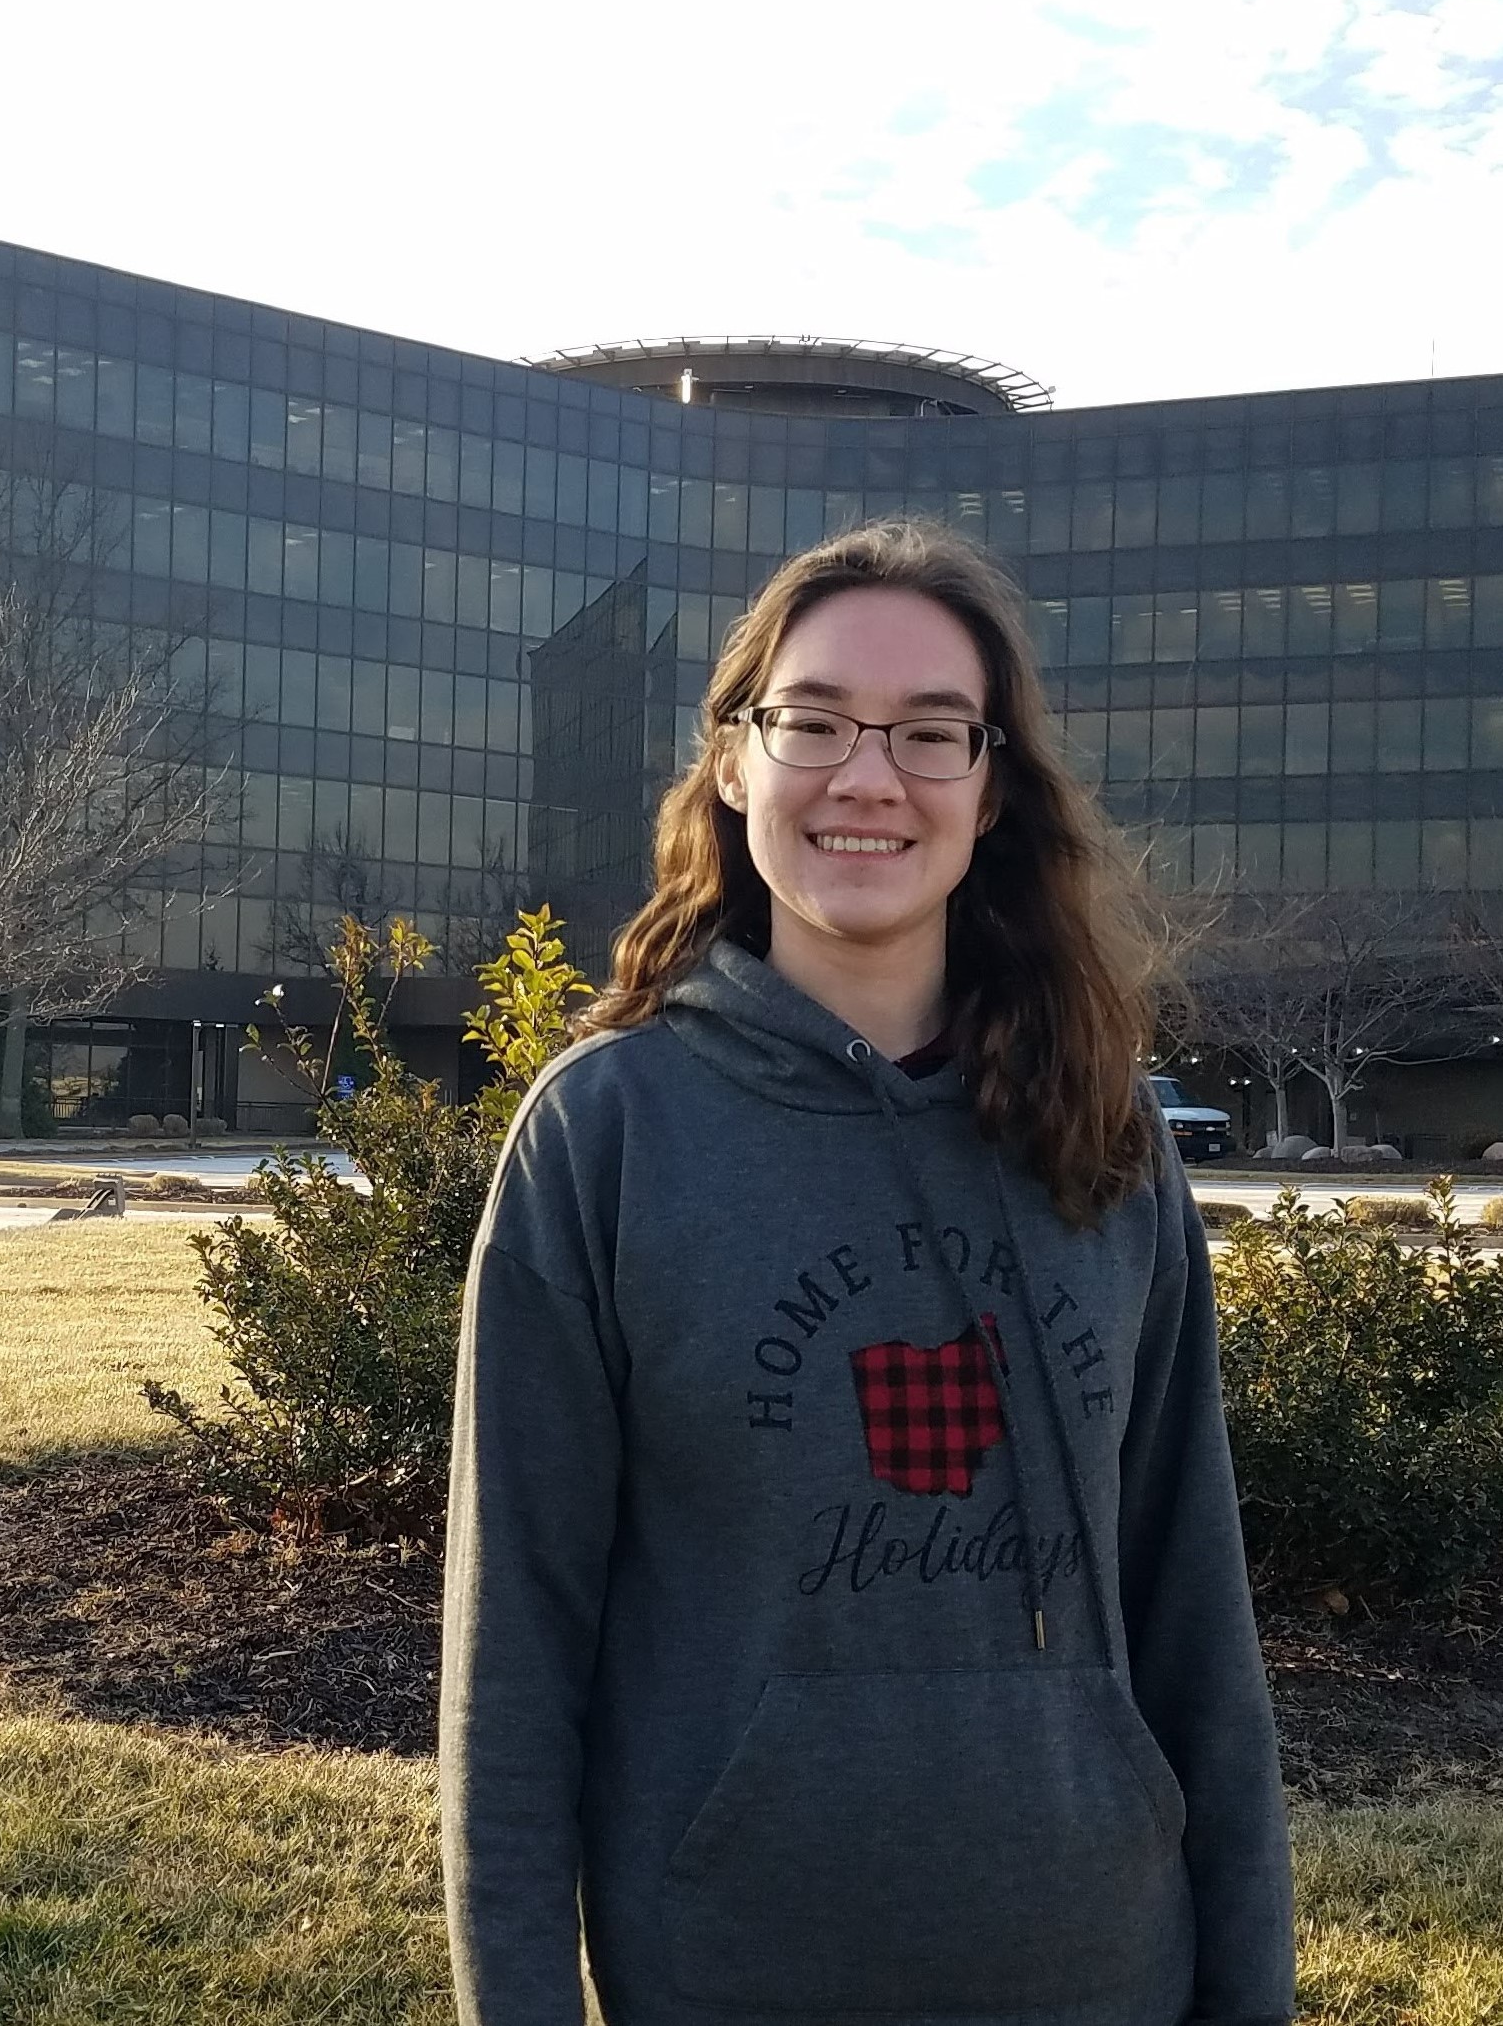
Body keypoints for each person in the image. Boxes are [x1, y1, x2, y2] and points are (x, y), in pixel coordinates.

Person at [439, 520, 1294, 2026]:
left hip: (1104, 1969)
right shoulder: (606, 1131)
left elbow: (1193, 1617)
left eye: (927, 733)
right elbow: (512, 1657)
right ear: (731, 761)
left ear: (990, 786)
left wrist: (1249, 1990)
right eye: (815, 720)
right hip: (727, 1975)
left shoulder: (1101, 1133)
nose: (866, 774)